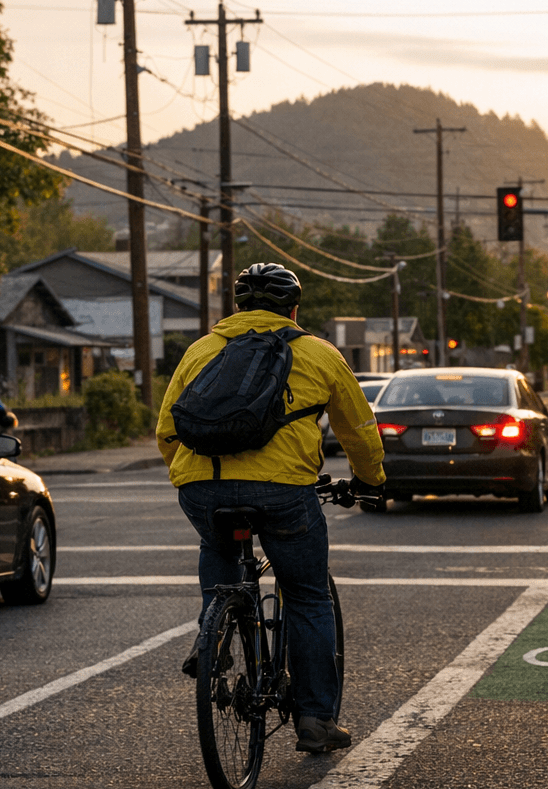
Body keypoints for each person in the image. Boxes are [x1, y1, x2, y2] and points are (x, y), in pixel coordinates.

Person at [156, 263, 385, 754]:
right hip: (283, 492)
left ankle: (211, 636)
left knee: (217, 547)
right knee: (306, 595)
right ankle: (316, 719)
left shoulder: (201, 350)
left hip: (203, 488)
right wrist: (370, 480)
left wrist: (193, 477)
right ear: (294, 310)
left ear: (237, 308)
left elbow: (166, 431)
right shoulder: (318, 353)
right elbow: (358, 430)